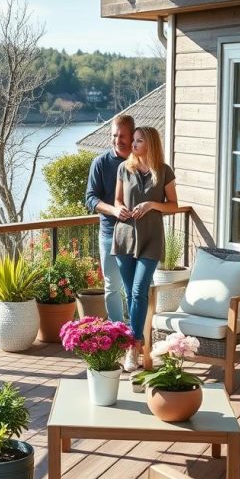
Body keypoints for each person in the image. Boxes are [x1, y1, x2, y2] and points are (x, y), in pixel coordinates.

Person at [112, 126, 178, 370]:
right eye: (134, 140)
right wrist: (118, 209)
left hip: (151, 239)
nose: (133, 144)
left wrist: (151, 204)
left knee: (140, 291)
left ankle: (133, 346)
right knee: (130, 294)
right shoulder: (124, 168)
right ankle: (135, 345)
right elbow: (117, 200)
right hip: (124, 237)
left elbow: (173, 205)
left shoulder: (163, 171)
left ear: (150, 143)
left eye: (139, 140)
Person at [85, 114, 134, 324]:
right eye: (114, 135)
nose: (117, 140)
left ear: (133, 136)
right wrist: (114, 210)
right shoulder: (100, 163)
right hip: (109, 235)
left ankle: (136, 331)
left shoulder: (141, 162)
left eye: (122, 135)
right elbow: (90, 199)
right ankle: (118, 333)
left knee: (135, 287)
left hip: (137, 235)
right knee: (112, 286)